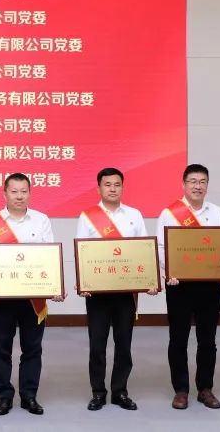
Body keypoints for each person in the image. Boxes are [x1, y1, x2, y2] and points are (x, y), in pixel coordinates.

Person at [156, 164, 220, 410]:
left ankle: (205, 388)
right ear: (183, 184)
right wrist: (170, 271)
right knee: (178, 339)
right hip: (179, 285)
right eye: (193, 181)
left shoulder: (218, 213)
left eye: (202, 181)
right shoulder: (169, 213)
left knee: (208, 339)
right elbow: (161, 247)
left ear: (207, 185)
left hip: (209, 285)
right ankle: (181, 390)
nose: (197, 186)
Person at [0, 173, 62, 416]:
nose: (19, 196)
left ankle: (29, 396)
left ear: (30, 193)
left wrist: (55, 286)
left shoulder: (41, 220)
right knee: (1, 348)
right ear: (4, 193)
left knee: (32, 348)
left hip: (33, 298)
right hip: (2, 297)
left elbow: (49, 256)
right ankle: (4, 396)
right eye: (14, 191)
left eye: (24, 191)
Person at [75, 167, 156, 411]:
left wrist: (150, 280)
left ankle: (120, 391)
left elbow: (144, 250)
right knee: (97, 345)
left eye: (117, 184)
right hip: (97, 292)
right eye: (107, 184)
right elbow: (82, 251)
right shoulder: (88, 217)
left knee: (124, 343)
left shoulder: (134, 215)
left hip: (125, 292)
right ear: (99, 188)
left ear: (123, 187)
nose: (112, 189)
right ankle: (98, 392)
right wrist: (82, 282)